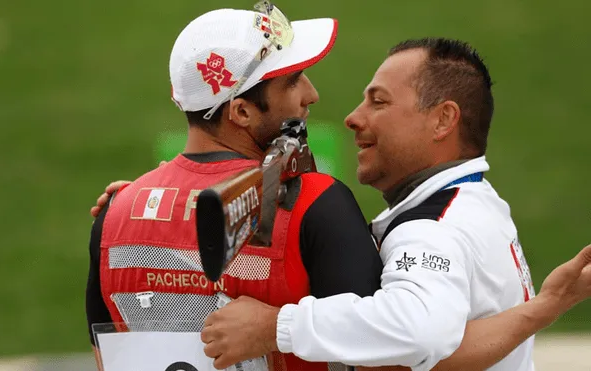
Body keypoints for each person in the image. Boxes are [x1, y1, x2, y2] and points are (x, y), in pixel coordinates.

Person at [191, 38, 591, 370]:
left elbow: (417, 331)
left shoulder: (433, 228)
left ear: (442, 120)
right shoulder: (475, 200)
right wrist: (546, 306)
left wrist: (275, 326)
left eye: (378, 102)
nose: (352, 117)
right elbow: (442, 350)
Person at [85, 5, 384, 371]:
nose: (311, 94)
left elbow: (108, 357)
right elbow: (382, 354)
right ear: (241, 112)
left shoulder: (113, 215)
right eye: (292, 80)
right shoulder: (318, 204)